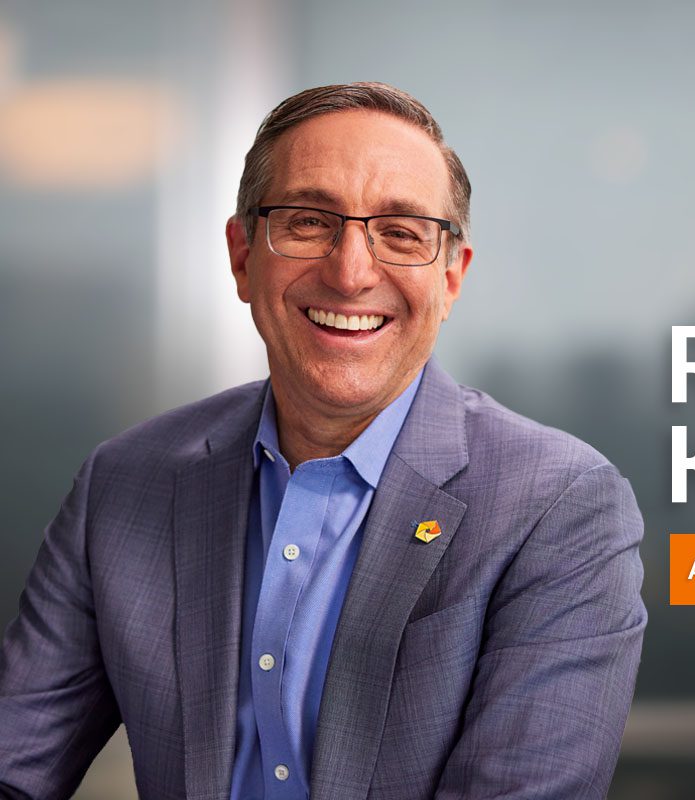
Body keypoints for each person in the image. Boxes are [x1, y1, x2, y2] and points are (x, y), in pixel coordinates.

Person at [0, 82, 647, 800]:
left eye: (401, 233)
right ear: (242, 257)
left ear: (450, 278)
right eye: (309, 222)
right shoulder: (124, 483)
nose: (350, 273)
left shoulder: (558, 506)